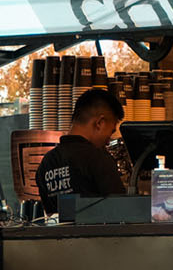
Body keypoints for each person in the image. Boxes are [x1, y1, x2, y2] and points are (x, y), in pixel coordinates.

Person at [36, 87, 127, 217]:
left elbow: (51, 217)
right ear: (100, 123)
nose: (108, 141)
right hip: (99, 230)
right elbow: (121, 211)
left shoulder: (46, 163)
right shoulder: (98, 158)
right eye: (111, 131)